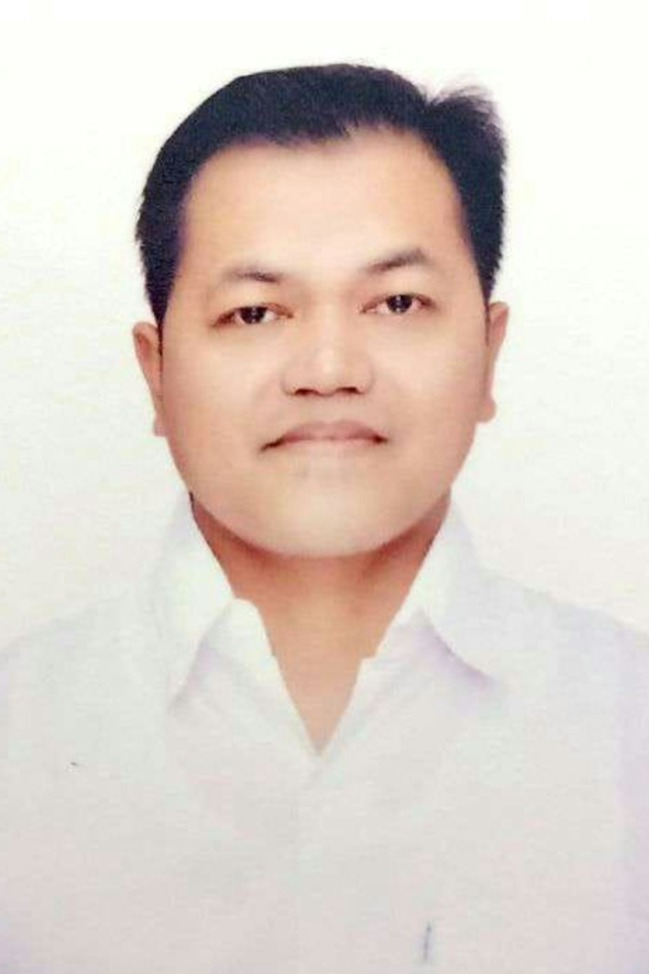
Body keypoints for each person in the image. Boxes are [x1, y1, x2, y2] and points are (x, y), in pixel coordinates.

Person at [1, 63, 648, 974]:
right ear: (156, 371)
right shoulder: (19, 732)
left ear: (488, 352)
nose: (330, 369)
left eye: (396, 302)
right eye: (254, 311)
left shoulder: (627, 721)